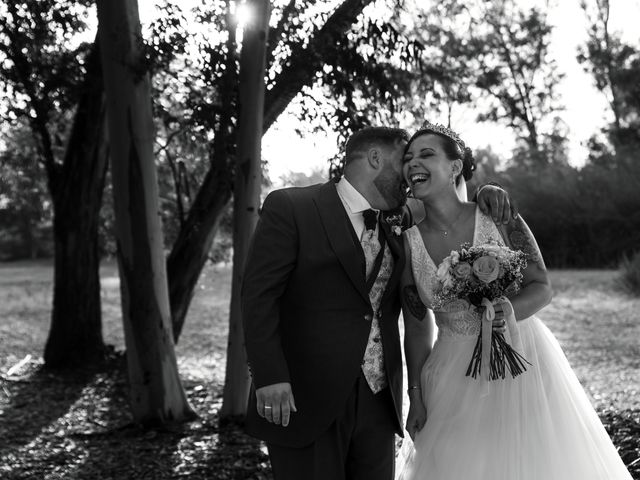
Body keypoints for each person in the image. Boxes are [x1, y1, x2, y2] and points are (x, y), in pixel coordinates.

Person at [241, 126, 513, 480]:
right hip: (303, 397)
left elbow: (447, 200)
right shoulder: (293, 206)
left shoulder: (399, 219)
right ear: (374, 158)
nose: (408, 175)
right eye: (405, 160)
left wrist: (488, 191)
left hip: (378, 402)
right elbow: (258, 296)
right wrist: (269, 376)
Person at [397, 122, 633, 480]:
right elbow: (416, 326)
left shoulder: (498, 215)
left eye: (426, 154)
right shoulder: (407, 241)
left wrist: (506, 311)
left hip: (521, 359)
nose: (413, 163)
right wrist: (415, 393)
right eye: (408, 158)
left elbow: (542, 286)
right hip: (448, 374)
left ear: (455, 167)